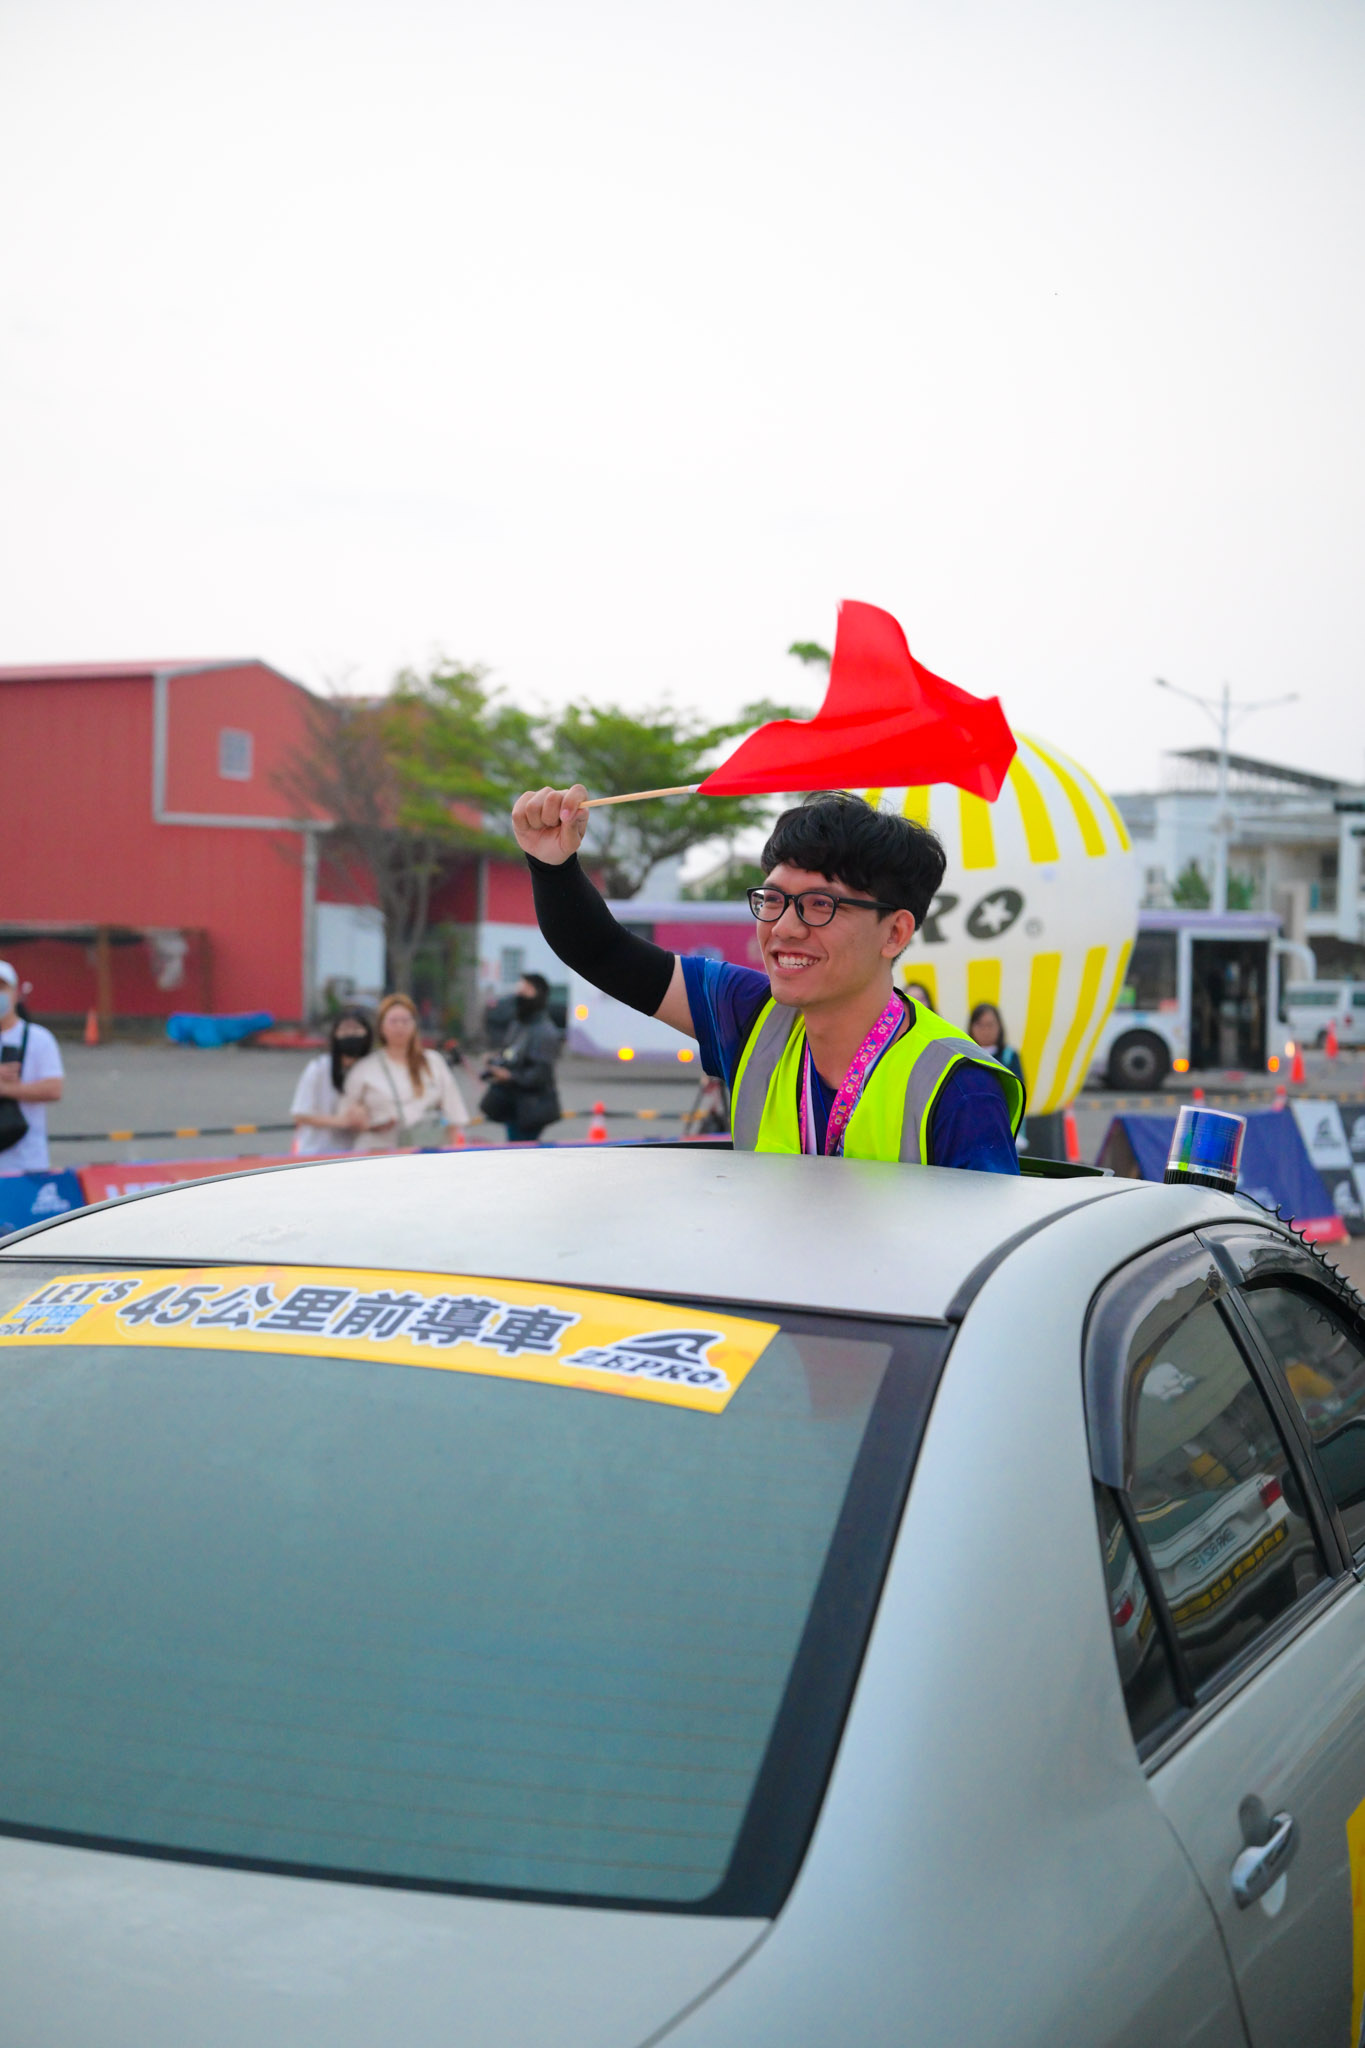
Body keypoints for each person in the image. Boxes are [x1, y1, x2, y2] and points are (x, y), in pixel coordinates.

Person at [512, 786, 1023, 1171]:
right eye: (773, 899)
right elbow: (602, 952)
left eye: (820, 904)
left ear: (895, 932)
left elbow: (988, 1266)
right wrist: (552, 866)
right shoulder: (751, 1014)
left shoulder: (959, 1088)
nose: (783, 928)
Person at [343, 992, 470, 1151]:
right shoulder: (365, 1067)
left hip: (426, 1151)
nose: (400, 1026)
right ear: (381, 1026)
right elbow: (345, 1115)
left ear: (414, 1025)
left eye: (405, 1021)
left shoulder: (432, 1061)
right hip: (378, 1152)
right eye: (393, 1021)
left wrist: (455, 1151)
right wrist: (361, 1119)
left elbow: (454, 1113)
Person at [480, 972, 563, 1144]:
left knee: (522, 1149)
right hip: (513, 1105)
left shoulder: (545, 1031)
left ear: (539, 993)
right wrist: (496, 1060)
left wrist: (509, 1076)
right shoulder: (519, 1024)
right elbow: (510, 1052)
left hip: (531, 1109)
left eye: (526, 989)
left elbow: (540, 1074)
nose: (519, 993)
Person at [0, 961, 64, 1175]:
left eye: (2, 987)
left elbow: (53, 1089)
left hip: (27, 1160)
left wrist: (6, 1089)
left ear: (15, 994)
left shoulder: (39, 1039)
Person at [290, 1009, 374, 1157]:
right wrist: (342, 1122)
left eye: (356, 1030)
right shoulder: (318, 1068)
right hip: (316, 1152)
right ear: (335, 1035)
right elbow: (300, 1114)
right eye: (345, 1030)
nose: (351, 1035)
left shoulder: (373, 1069)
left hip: (357, 1153)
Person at [968, 1001, 1029, 1152]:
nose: (985, 1030)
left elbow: (1018, 1091)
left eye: (990, 1025)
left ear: (999, 1027)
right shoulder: (965, 1055)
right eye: (980, 1025)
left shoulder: (1009, 1056)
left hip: (1003, 1124)